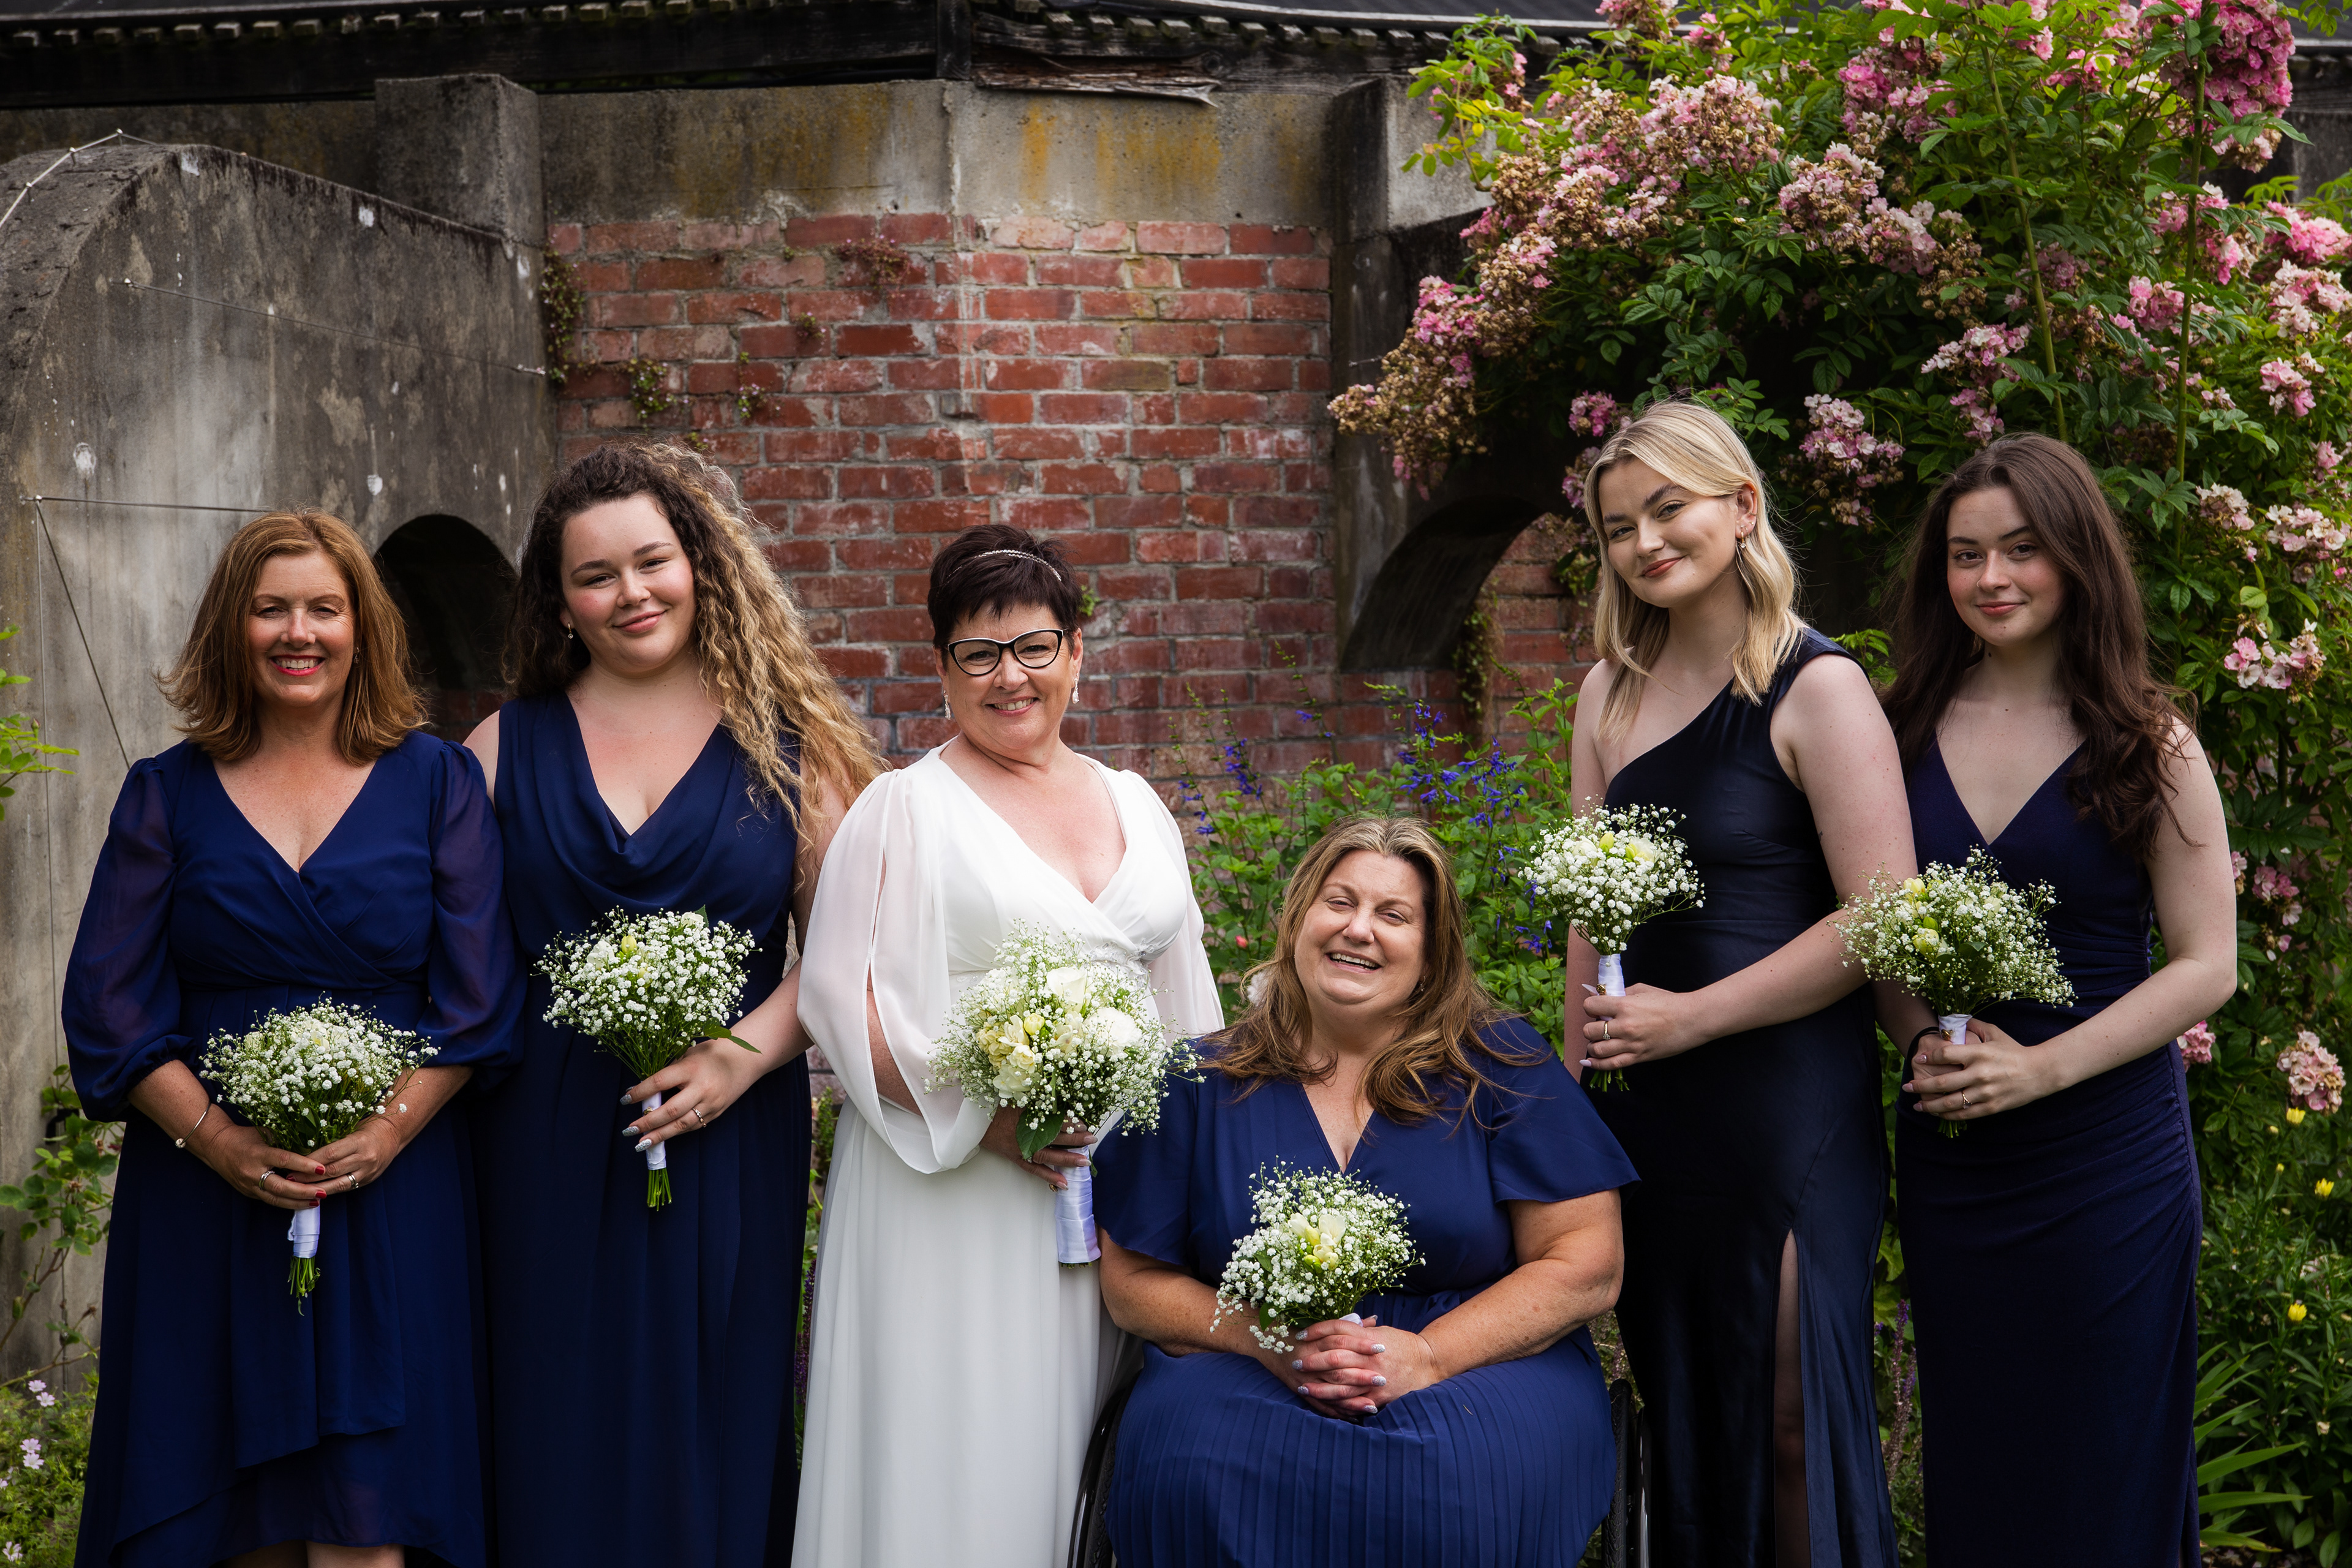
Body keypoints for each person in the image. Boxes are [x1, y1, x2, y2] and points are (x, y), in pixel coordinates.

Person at [62, 511, 523, 1568]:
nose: (298, 632)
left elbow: (481, 1000)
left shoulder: (439, 782)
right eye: (271, 609)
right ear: (233, 627)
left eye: (324, 608)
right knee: (231, 1520)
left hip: (392, 1192)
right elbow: (109, 1006)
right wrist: (220, 1140)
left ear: (365, 628)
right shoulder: (164, 794)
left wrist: (390, 1130)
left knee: (371, 1519)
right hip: (206, 1198)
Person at [464, 443, 881, 1568]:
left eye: (652, 561)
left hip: (729, 1130)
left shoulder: (790, 744)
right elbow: (449, 955)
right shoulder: (500, 748)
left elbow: (852, 949)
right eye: (595, 576)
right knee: (551, 1406)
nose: (631, 593)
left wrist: (743, 1054)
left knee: (711, 1407)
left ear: (698, 563)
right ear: (559, 601)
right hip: (542, 1137)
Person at [793, 522, 1225, 1568]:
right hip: (952, 1183)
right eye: (978, 654)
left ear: (1075, 651)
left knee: (1080, 1440)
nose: (1009, 677)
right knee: (956, 1442)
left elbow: (1189, 1005)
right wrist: (987, 1120)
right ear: (942, 668)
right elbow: (838, 998)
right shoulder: (901, 810)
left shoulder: (1137, 805)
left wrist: (1195, 1168)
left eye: (1033, 646)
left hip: (1108, 1186)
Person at [1088, 816, 1635, 1568]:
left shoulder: (1499, 1066)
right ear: (1298, 920)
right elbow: (1131, 1283)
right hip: (1250, 1358)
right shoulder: (1200, 1080)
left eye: (1394, 914)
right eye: (1339, 902)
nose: (1359, 929)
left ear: (1433, 951)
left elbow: (1588, 1262)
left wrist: (1430, 1356)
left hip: (1476, 1361)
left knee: (1454, 1486)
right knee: (1203, 1469)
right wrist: (1269, 1340)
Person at [1877, 435, 2233, 1566]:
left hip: (2107, 1160)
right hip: (1958, 1153)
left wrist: (2040, 1068)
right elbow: (1871, 933)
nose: (1992, 578)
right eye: (1966, 554)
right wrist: (1922, 1041)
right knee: (1984, 1454)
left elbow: (2206, 964)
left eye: (2022, 549)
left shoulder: (2150, 743)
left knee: (2107, 1457)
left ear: (2078, 558)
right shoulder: (1894, 733)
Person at [1567, 401, 1913, 1566]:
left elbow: (1883, 918)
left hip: (1786, 1105)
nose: (1646, 542)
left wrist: (1695, 1018)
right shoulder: (1608, 693)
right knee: (1686, 1406)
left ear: (1743, 505)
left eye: (1669, 509)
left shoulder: (1820, 687)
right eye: (1619, 527)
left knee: (1787, 1407)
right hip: (1651, 1112)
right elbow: (1591, 908)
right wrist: (1574, 1092)